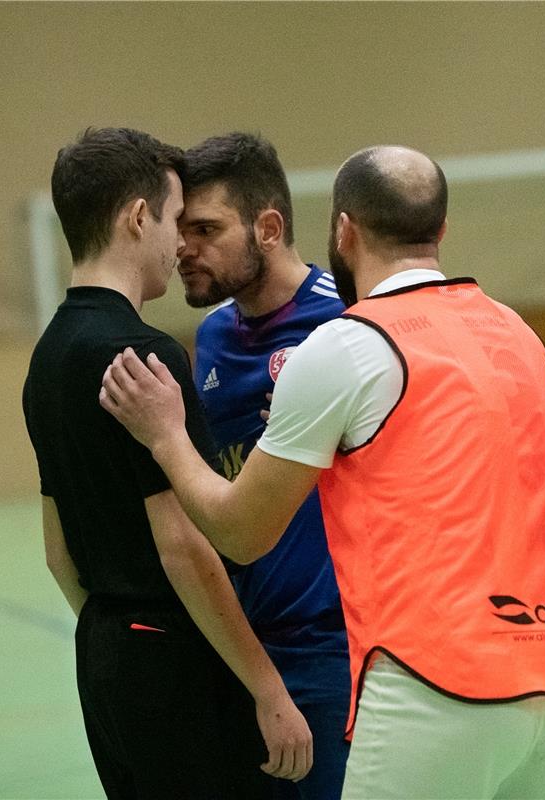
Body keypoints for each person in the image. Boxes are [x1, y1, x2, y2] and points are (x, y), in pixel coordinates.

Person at [99, 145, 545, 799]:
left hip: (438, 681)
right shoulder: (514, 329)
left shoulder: (345, 341)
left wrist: (164, 436)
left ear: (341, 230)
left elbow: (242, 529)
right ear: (441, 231)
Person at [22, 127, 311, 799]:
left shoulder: (48, 356)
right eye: (177, 220)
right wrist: (267, 688)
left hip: (103, 655)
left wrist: (118, 639)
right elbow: (185, 546)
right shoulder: (144, 355)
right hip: (180, 661)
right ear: (139, 216)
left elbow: (57, 552)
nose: (181, 244)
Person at [177, 132, 350, 800]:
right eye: (179, 229)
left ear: (269, 227)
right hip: (248, 651)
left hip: (339, 648)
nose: (185, 248)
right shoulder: (213, 336)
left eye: (207, 229)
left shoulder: (347, 319)